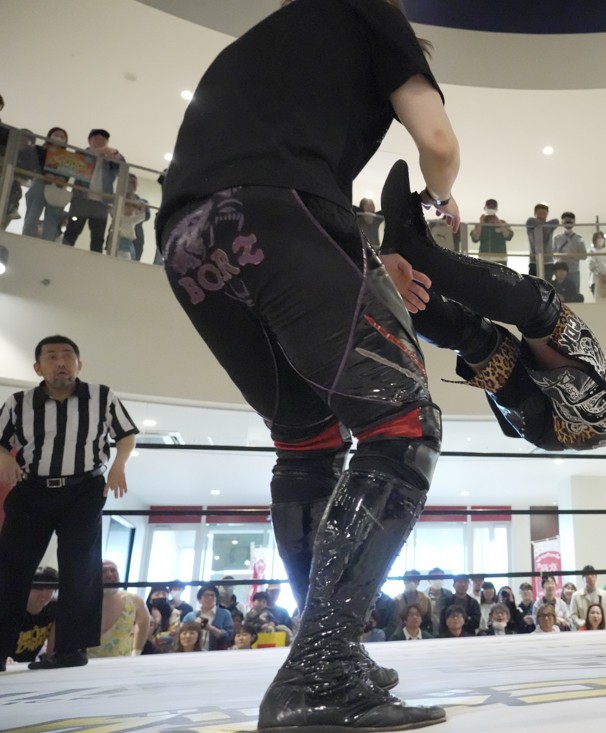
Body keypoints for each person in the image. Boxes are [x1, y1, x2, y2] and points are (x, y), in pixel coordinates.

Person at [155, 0, 459, 726]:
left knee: (305, 440)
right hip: (279, 210)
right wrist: (438, 197)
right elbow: (439, 142)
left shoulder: (273, 40)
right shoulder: (373, 15)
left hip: (187, 241)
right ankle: (322, 667)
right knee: (402, 423)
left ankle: (325, 651)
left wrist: (354, 256)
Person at [380, 160, 606, 453]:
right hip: (543, 422)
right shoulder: (605, 375)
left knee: (544, 308)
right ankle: (392, 290)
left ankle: (421, 254)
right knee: (475, 338)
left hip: (597, 418)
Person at [0, 335, 138, 672]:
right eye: (51, 356)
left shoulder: (102, 396)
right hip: (32, 489)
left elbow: (125, 434)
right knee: (10, 568)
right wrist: (5, 457)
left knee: (82, 569)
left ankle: (70, 650)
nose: (60, 362)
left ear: (79, 363)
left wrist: (119, 465)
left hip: (84, 490)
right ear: (38, 367)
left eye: (67, 355)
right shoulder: (19, 402)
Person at [62, 128, 125, 253]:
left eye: (103, 139)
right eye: (96, 138)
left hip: (101, 203)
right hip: (81, 199)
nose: (100, 141)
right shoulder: (82, 154)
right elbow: (76, 157)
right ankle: (63, 253)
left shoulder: (110, 161)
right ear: (90, 141)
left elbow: (123, 165)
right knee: (72, 230)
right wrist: (99, 151)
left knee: (98, 236)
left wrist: (114, 153)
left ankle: (96, 259)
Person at [87, 560, 151, 658]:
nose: (109, 575)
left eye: (113, 570)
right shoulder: (83, 600)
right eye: (103, 571)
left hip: (121, 661)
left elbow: (144, 623)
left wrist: (136, 651)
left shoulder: (133, 600)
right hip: (86, 662)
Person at [21, 127, 71, 242]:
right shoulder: (39, 149)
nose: (59, 138)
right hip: (40, 183)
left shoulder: (68, 157)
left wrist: (63, 178)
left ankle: (48, 242)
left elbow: (70, 171)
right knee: (32, 215)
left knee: (52, 219)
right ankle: (26, 239)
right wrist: (44, 174)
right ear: (49, 137)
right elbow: (33, 164)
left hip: (57, 188)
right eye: (56, 135)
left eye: (62, 137)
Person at [10, 567, 58, 665]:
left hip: (30, 666)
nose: (44, 594)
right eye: (37, 588)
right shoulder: (10, 610)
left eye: (49, 588)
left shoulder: (54, 609)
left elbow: (52, 651)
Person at [182, 584, 234, 650]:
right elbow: (182, 634)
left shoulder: (224, 614)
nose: (210, 598)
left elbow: (228, 636)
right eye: (206, 595)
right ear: (199, 599)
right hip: (194, 652)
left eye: (212, 595)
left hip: (216, 652)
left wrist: (211, 628)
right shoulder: (190, 616)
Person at [569, 565, 606, 630]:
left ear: (596, 577)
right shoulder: (576, 596)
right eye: (587, 575)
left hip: (603, 630)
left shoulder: (605, 595)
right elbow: (573, 615)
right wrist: (582, 623)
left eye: (592, 574)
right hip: (584, 630)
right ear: (583, 578)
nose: (590, 577)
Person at [552, 211, 587, 293]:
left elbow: (584, 256)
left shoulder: (579, 238)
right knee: (558, 293)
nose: (568, 222)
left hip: (574, 270)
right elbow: (552, 255)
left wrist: (573, 256)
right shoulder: (557, 238)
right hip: (560, 271)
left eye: (570, 220)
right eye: (565, 220)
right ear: (562, 222)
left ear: (574, 222)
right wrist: (561, 255)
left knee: (575, 293)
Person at [470, 198, 513, 265]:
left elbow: (508, 236)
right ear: (485, 208)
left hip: (500, 259)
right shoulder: (479, 225)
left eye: (493, 207)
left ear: (496, 209)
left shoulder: (503, 223)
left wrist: (500, 224)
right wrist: (481, 223)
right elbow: (475, 239)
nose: (491, 209)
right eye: (489, 207)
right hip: (484, 259)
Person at [394, 570, 433, 635]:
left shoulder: (426, 599)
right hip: (401, 633)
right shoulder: (396, 600)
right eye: (408, 579)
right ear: (404, 581)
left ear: (418, 582)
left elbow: (429, 619)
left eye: (414, 580)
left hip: (421, 633)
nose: (411, 582)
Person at [525, 203, 559, 277]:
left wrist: (543, 225)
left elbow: (556, 221)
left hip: (548, 262)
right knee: (533, 283)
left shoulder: (551, 225)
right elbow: (530, 221)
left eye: (544, 214)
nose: (542, 216)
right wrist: (545, 225)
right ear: (535, 213)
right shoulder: (531, 222)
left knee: (547, 283)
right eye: (539, 213)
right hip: (534, 261)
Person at [587, 231, 606, 302]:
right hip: (595, 279)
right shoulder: (591, 251)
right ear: (594, 240)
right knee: (598, 300)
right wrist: (600, 274)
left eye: (601, 237)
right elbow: (591, 265)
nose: (600, 239)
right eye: (598, 238)